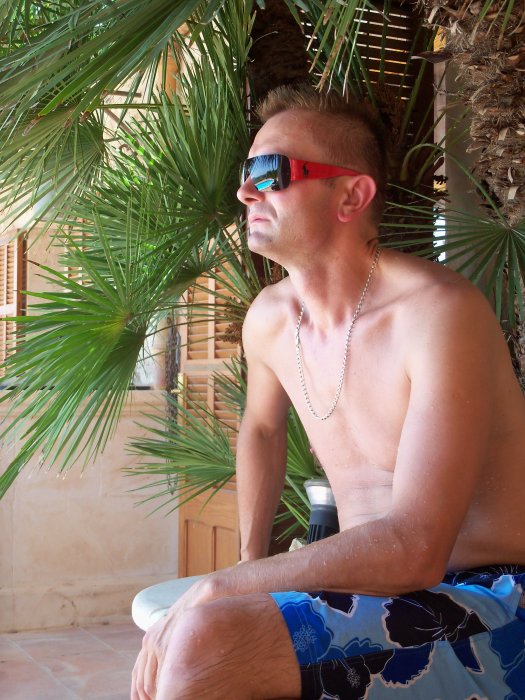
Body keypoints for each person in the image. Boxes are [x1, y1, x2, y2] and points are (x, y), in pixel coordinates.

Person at [131, 85, 525, 700]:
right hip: (371, 587)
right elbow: (262, 429)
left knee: (209, 641)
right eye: (246, 173)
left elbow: (417, 549)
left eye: (271, 172)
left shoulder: (436, 314)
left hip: (490, 592)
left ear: (351, 196)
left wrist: (222, 586)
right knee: (202, 636)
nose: (246, 191)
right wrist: (248, 562)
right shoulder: (269, 319)